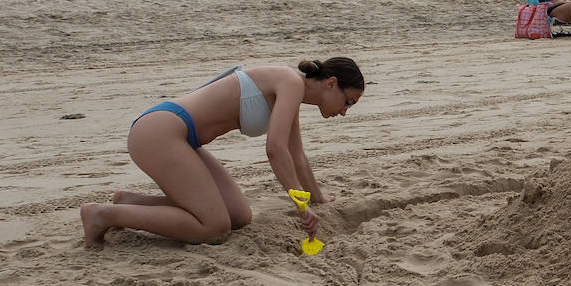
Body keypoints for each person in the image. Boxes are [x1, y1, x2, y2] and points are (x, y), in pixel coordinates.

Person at [80, 58, 365, 249]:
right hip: (159, 131)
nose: (344, 111)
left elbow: (296, 154)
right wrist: (302, 206)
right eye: (348, 101)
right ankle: (103, 215)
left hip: (182, 137)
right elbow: (276, 151)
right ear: (331, 83)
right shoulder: (290, 81)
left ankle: (131, 202)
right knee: (214, 227)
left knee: (239, 215)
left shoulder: (293, 92)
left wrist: (317, 198)